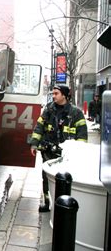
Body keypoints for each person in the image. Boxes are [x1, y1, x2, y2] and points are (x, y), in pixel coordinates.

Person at [29, 84, 88, 212]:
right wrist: (34, 143)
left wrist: (79, 152)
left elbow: (82, 135)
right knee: (46, 177)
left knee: (64, 179)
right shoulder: (49, 109)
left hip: (66, 154)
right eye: (53, 93)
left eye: (56, 93)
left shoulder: (76, 113)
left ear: (65, 95)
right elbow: (39, 127)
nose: (53, 96)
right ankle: (47, 202)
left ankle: (63, 203)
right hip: (48, 151)